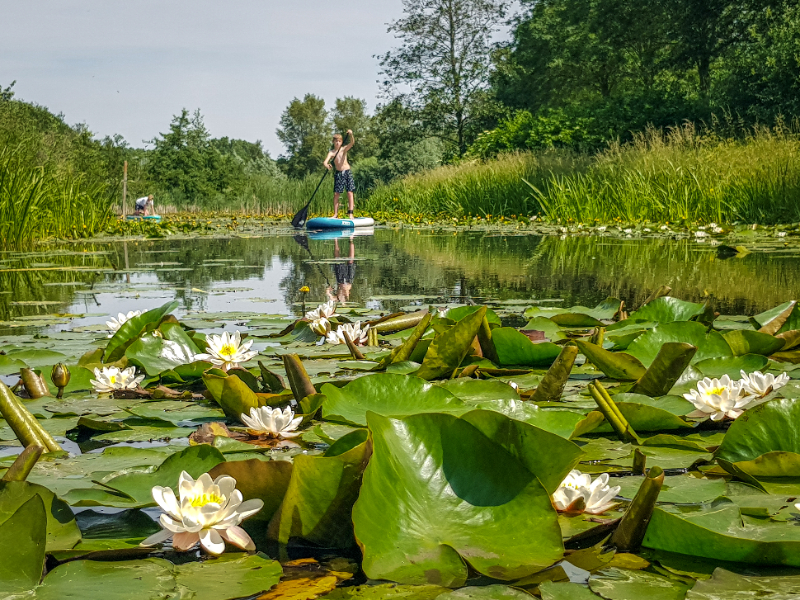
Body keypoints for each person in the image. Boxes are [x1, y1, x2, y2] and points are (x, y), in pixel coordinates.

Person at [323, 130, 355, 219]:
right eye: (336, 141)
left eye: (339, 141)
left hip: (347, 171)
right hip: (339, 173)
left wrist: (351, 135)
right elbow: (325, 162)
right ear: (333, 142)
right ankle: (335, 214)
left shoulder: (344, 149)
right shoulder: (332, 152)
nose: (337, 143)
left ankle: (350, 213)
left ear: (341, 142)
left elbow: (352, 143)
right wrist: (327, 165)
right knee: (336, 194)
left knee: (350, 192)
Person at [326, 237, 355, 303]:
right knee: (350, 262)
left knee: (337, 260)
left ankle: (335, 239)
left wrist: (328, 290)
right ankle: (351, 239)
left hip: (341, 280)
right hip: (349, 280)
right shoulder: (345, 300)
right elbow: (346, 293)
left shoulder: (336, 299)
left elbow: (328, 294)